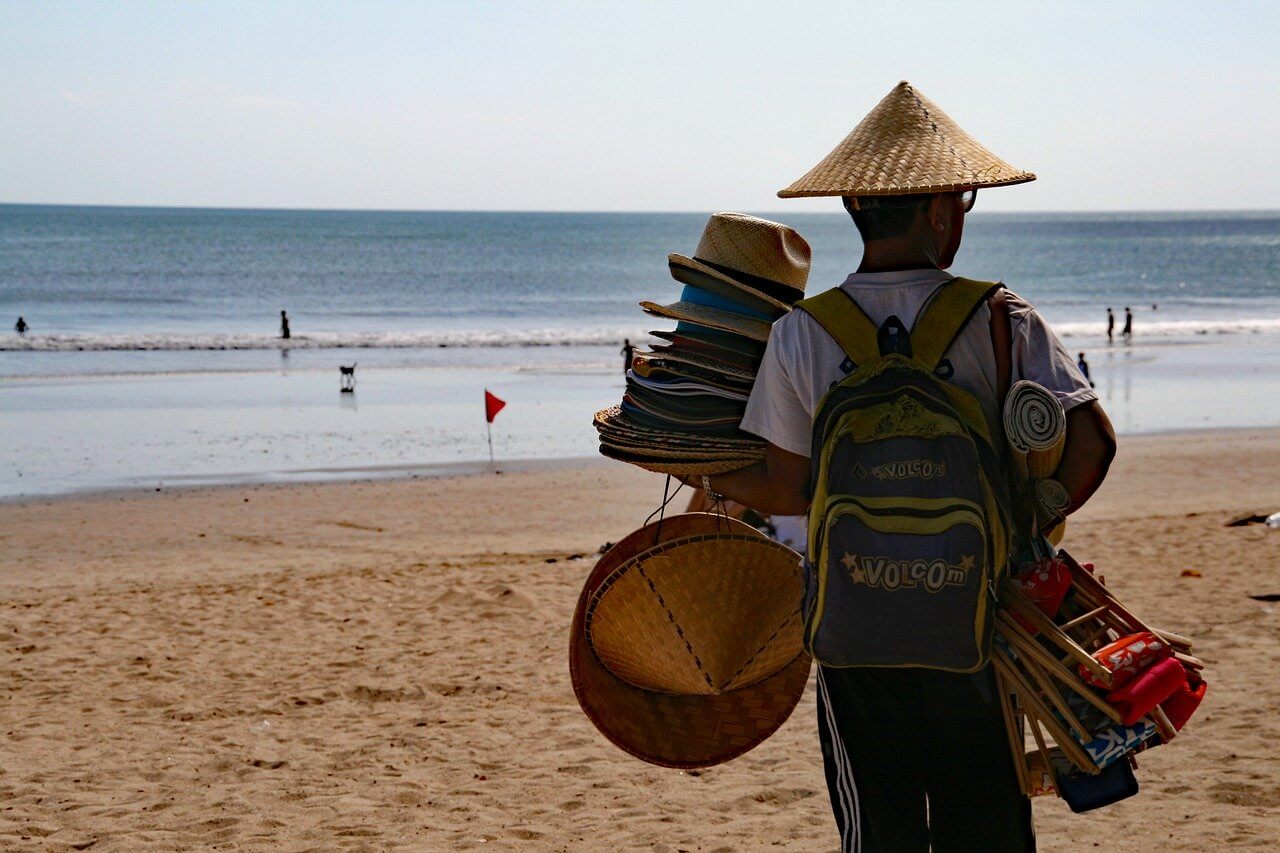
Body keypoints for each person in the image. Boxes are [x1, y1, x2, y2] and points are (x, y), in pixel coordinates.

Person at [688, 82, 1115, 851]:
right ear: (941, 207)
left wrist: (707, 473)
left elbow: (788, 489)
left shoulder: (802, 333)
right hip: (978, 620)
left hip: (855, 627)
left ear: (855, 207)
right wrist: (1028, 518)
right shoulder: (999, 316)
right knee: (985, 824)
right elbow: (1093, 445)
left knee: (877, 830)